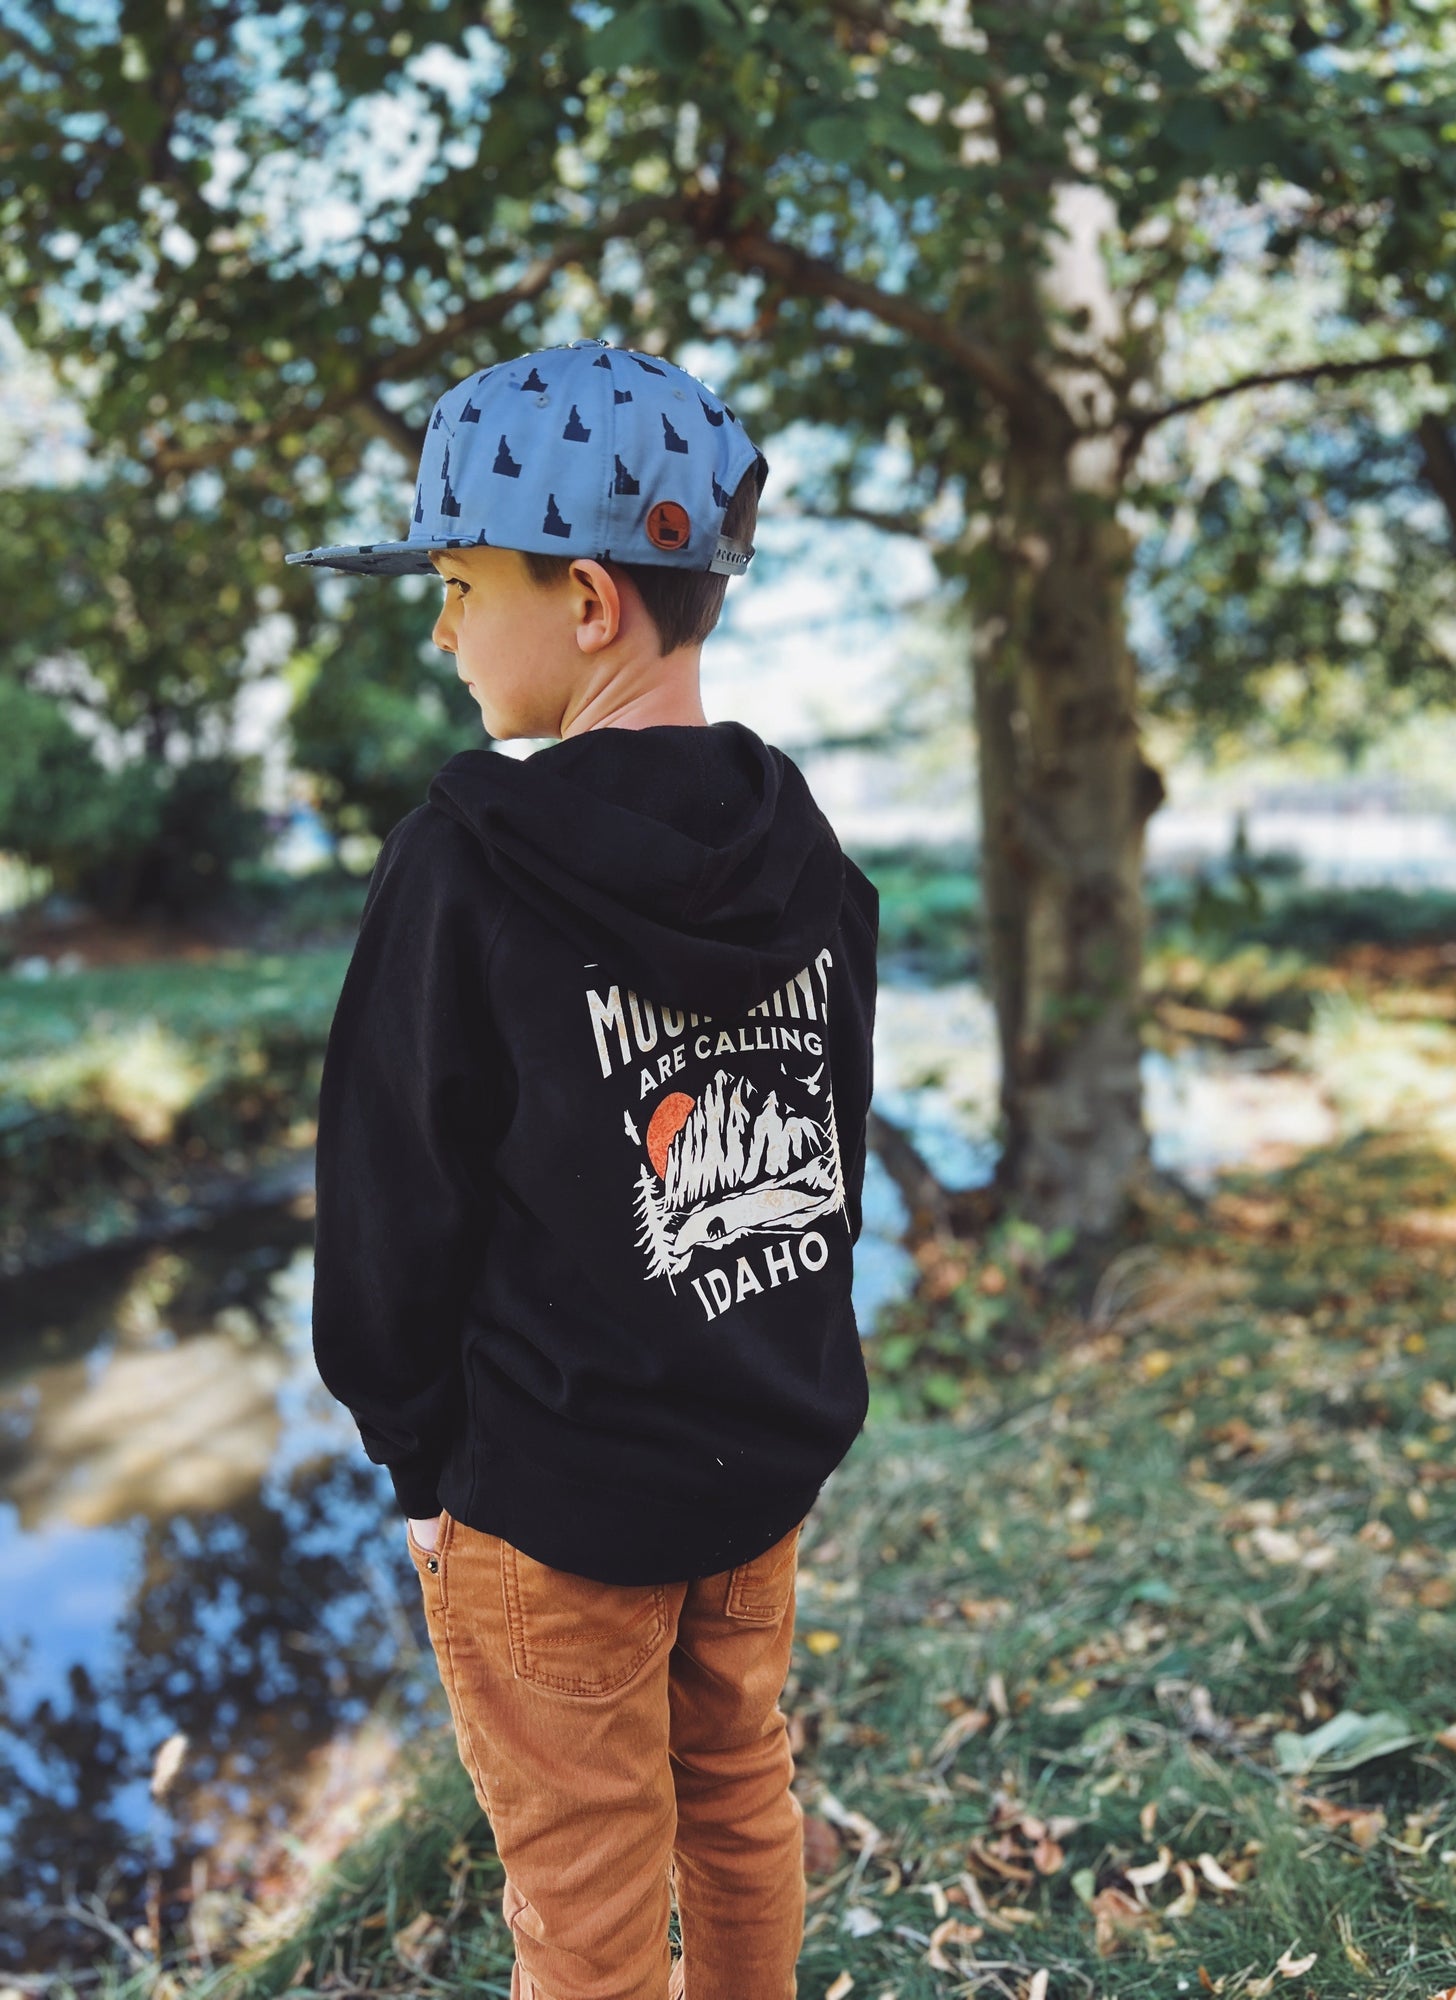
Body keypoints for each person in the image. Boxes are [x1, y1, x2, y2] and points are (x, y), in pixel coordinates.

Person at [283, 338, 880, 2000]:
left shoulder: (469, 859)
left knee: (584, 1879)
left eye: (463, 582)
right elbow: (822, 1171)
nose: (445, 625)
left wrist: (415, 1464)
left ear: (593, 600)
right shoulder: (808, 850)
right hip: (756, 1465)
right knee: (741, 1799)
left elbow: (393, 1202)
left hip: (542, 1502)